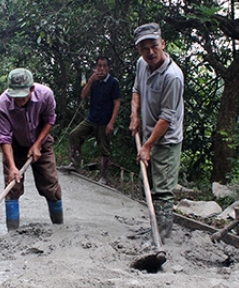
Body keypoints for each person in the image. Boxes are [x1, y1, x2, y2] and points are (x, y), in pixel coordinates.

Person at [128, 23, 184, 241]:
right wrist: (135, 116)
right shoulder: (142, 64)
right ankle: (155, 228)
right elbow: (136, 90)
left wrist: (148, 145)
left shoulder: (173, 76)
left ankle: (162, 236)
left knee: (163, 190)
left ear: (163, 44)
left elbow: (167, 118)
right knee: (149, 185)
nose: (150, 52)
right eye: (144, 48)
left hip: (166, 138)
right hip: (149, 132)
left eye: (154, 46)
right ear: (139, 50)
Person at [0, 68, 63, 230]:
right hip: (15, 145)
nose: (19, 101)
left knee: (50, 183)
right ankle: (12, 230)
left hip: (42, 141)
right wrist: (12, 166)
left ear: (31, 90)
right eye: (15, 97)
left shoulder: (45, 95)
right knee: (12, 185)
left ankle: (59, 226)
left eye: (22, 96)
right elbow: (4, 138)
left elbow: (50, 120)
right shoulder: (3, 103)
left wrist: (38, 144)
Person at [60, 56, 121, 185]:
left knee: (104, 148)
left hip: (104, 121)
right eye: (99, 66)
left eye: (104, 66)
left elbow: (117, 103)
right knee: (74, 134)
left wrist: (111, 122)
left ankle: (104, 176)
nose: (102, 69)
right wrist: (90, 81)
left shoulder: (113, 82)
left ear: (108, 68)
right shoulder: (94, 81)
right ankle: (75, 164)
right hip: (91, 118)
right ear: (96, 67)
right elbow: (83, 95)